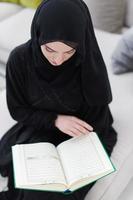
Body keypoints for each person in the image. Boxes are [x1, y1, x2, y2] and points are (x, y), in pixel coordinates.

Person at [0, 0, 117, 199]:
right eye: (50, 50)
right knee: (32, 188)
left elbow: (96, 123)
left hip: (80, 134)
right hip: (39, 127)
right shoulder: (19, 60)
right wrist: (55, 120)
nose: (58, 60)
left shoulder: (87, 65)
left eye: (68, 52)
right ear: (38, 36)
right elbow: (18, 110)